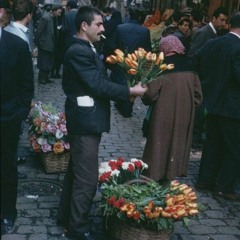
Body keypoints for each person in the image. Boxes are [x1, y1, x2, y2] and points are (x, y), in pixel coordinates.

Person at [57, 6, 147, 240]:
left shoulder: (87, 47)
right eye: (98, 24)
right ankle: (78, 229)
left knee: (76, 171)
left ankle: (66, 217)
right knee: (86, 178)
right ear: (84, 26)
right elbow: (97, 85)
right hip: (84, 122)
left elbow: (99, 80)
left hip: (86, 120)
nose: (103, 28)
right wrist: (129, 90)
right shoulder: (78, 51)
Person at [141, 35, 202, 183]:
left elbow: (150, 94)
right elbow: (198, 96)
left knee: (159, 144)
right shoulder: (190, 67)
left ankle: (154, 176)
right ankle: (171, 174)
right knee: (176, 143)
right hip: (184, 115)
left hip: (163, 114)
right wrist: (186, 106)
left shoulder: (162, 67)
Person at [195, 12, 240, 201]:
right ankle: (224, 187)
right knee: (234, 149)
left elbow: (197, 60)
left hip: (213, 103)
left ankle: (205, 181)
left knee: (212, 145)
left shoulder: (215, 42)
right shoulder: (238, 47)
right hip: (232, 107)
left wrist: (208, 84)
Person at [0, 0, 34, 235]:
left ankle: (6, 213)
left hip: (7, 118)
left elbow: (26, 85)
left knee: (5, 167)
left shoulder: (15, 44)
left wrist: (19, 113)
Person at [189, 7, 228, 149]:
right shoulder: (204, 33)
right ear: (214, 19)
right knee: (200, 108)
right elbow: (193, 55)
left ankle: (197, 135)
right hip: (201, 77)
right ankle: (194, 136)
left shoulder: (216, 33)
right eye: (222, 20)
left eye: (225, 21)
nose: (224, 23)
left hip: (207, 77)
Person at [109, 8, 151, 117]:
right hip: (137, 62)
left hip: (121, 60)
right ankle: (127, 107)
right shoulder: (145, 31)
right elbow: (147, 49)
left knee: (122, 82)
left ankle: (121, 103)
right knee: (131, 83)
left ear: (129, 15)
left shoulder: (120, 28)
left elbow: (112, 45)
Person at [35, 4, 59, 84]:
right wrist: (38, 42)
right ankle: (42, 78)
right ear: (54, 11)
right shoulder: (45, 18)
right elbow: (39, 31)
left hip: (51, 43)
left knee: (49, 62)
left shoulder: (54, 18)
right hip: (44, 44)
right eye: (58, 12)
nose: (59, 14)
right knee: (44, 62)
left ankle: (46, 77)